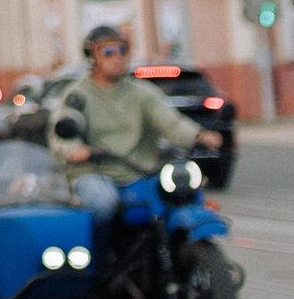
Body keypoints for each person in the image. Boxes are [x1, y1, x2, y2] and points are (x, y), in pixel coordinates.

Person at [52, 24, 224, 219]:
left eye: (122, 50)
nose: (117, 57)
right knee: (103, 204)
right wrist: (73, 149)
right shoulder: (78, 95)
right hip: (94, 171)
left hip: (139, 171)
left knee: (173, 198)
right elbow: (64, 127)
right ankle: (102, 250)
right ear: (92, 57)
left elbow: (170, 122)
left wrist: (198, 135)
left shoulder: (142, 92)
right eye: (108, 51)